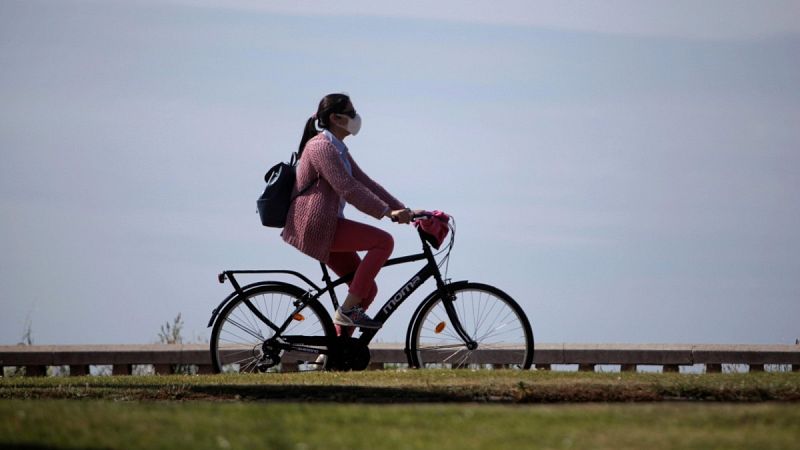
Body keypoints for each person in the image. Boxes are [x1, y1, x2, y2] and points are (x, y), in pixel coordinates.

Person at [282, 93, 413, 332]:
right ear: (336, 118)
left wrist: (403, 210)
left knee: (366, 291)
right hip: (316, 226)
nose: (356, 117)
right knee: (384, 242)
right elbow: (348, 188)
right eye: (351, 113)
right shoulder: (321, 147)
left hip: (327, 226)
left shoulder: (337, 148)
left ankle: (336, 349)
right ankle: (347, 311)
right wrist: (386, 213)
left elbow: (366, 183)